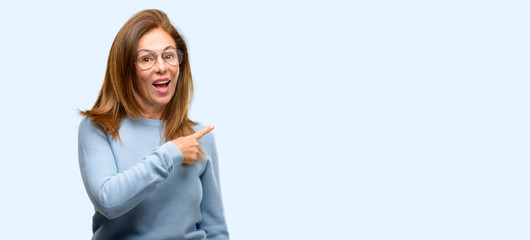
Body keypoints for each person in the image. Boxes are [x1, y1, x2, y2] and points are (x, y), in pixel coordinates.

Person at [78, 9, 229, 240]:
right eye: (147, 58)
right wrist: (170, 154)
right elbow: (108, 201)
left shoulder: (199, 136)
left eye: (169, 56)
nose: (161, 67)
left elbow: (215, 229)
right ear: (125, 69)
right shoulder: (99, 128)